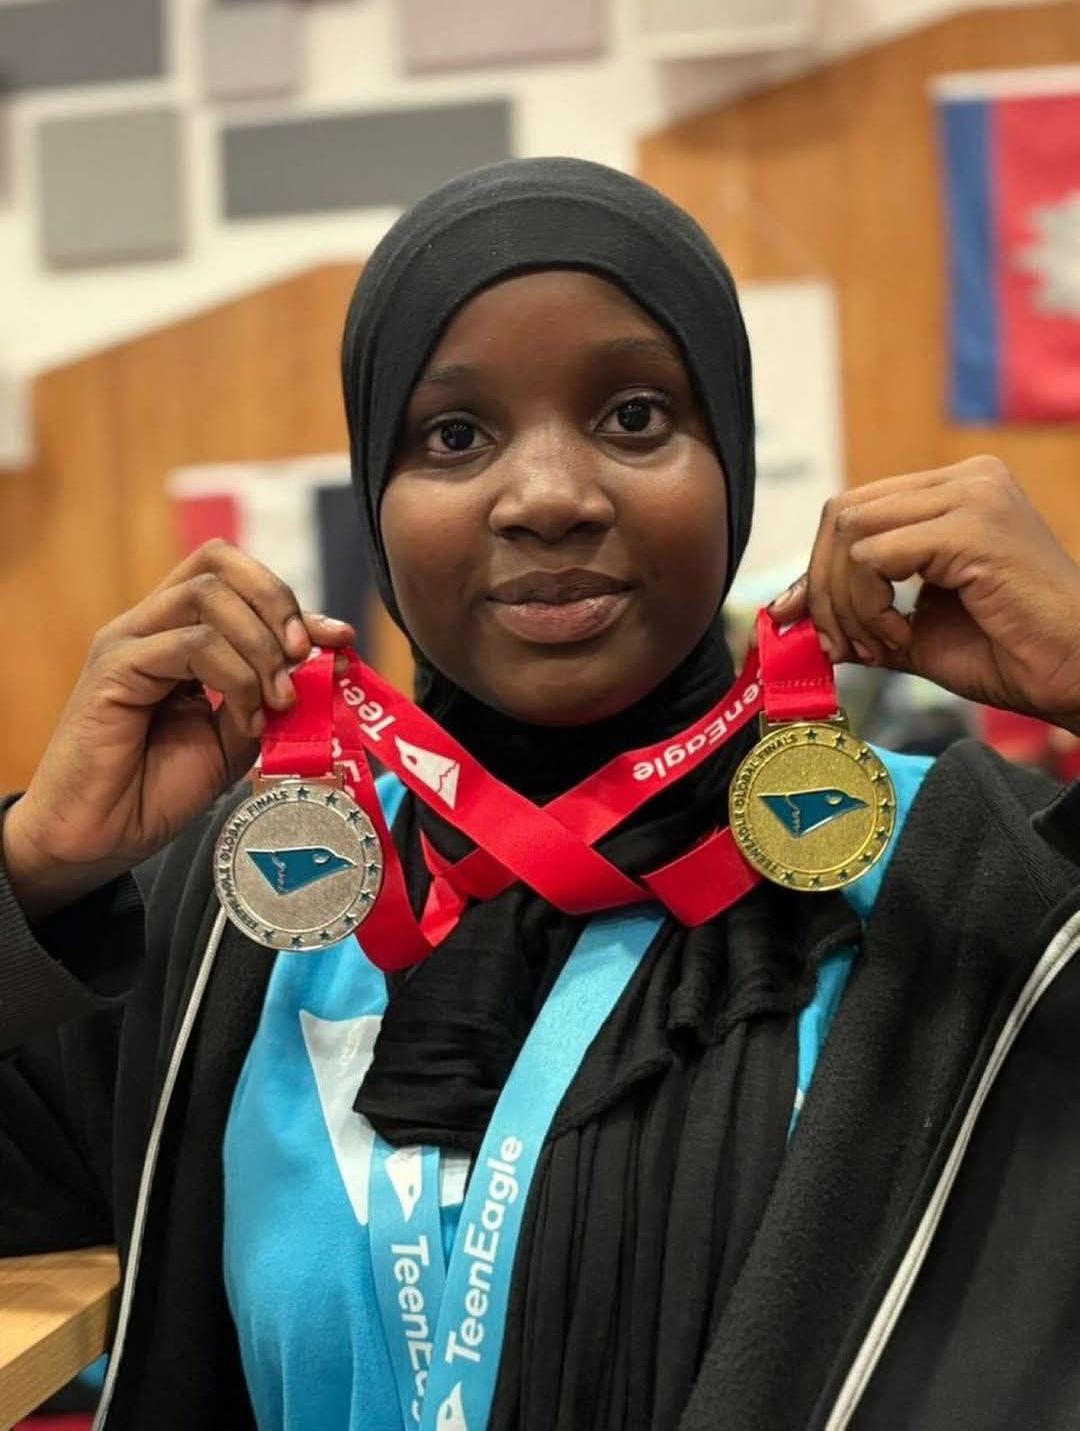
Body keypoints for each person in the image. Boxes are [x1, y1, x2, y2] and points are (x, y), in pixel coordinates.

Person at [3, 157, 1080, 1431]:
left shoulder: (948, 874)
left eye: (636, 416)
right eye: (454, 437)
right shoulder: (265, 894)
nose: (552, 498)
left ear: (733, 462)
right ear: (376, 498)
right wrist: (37, 868)